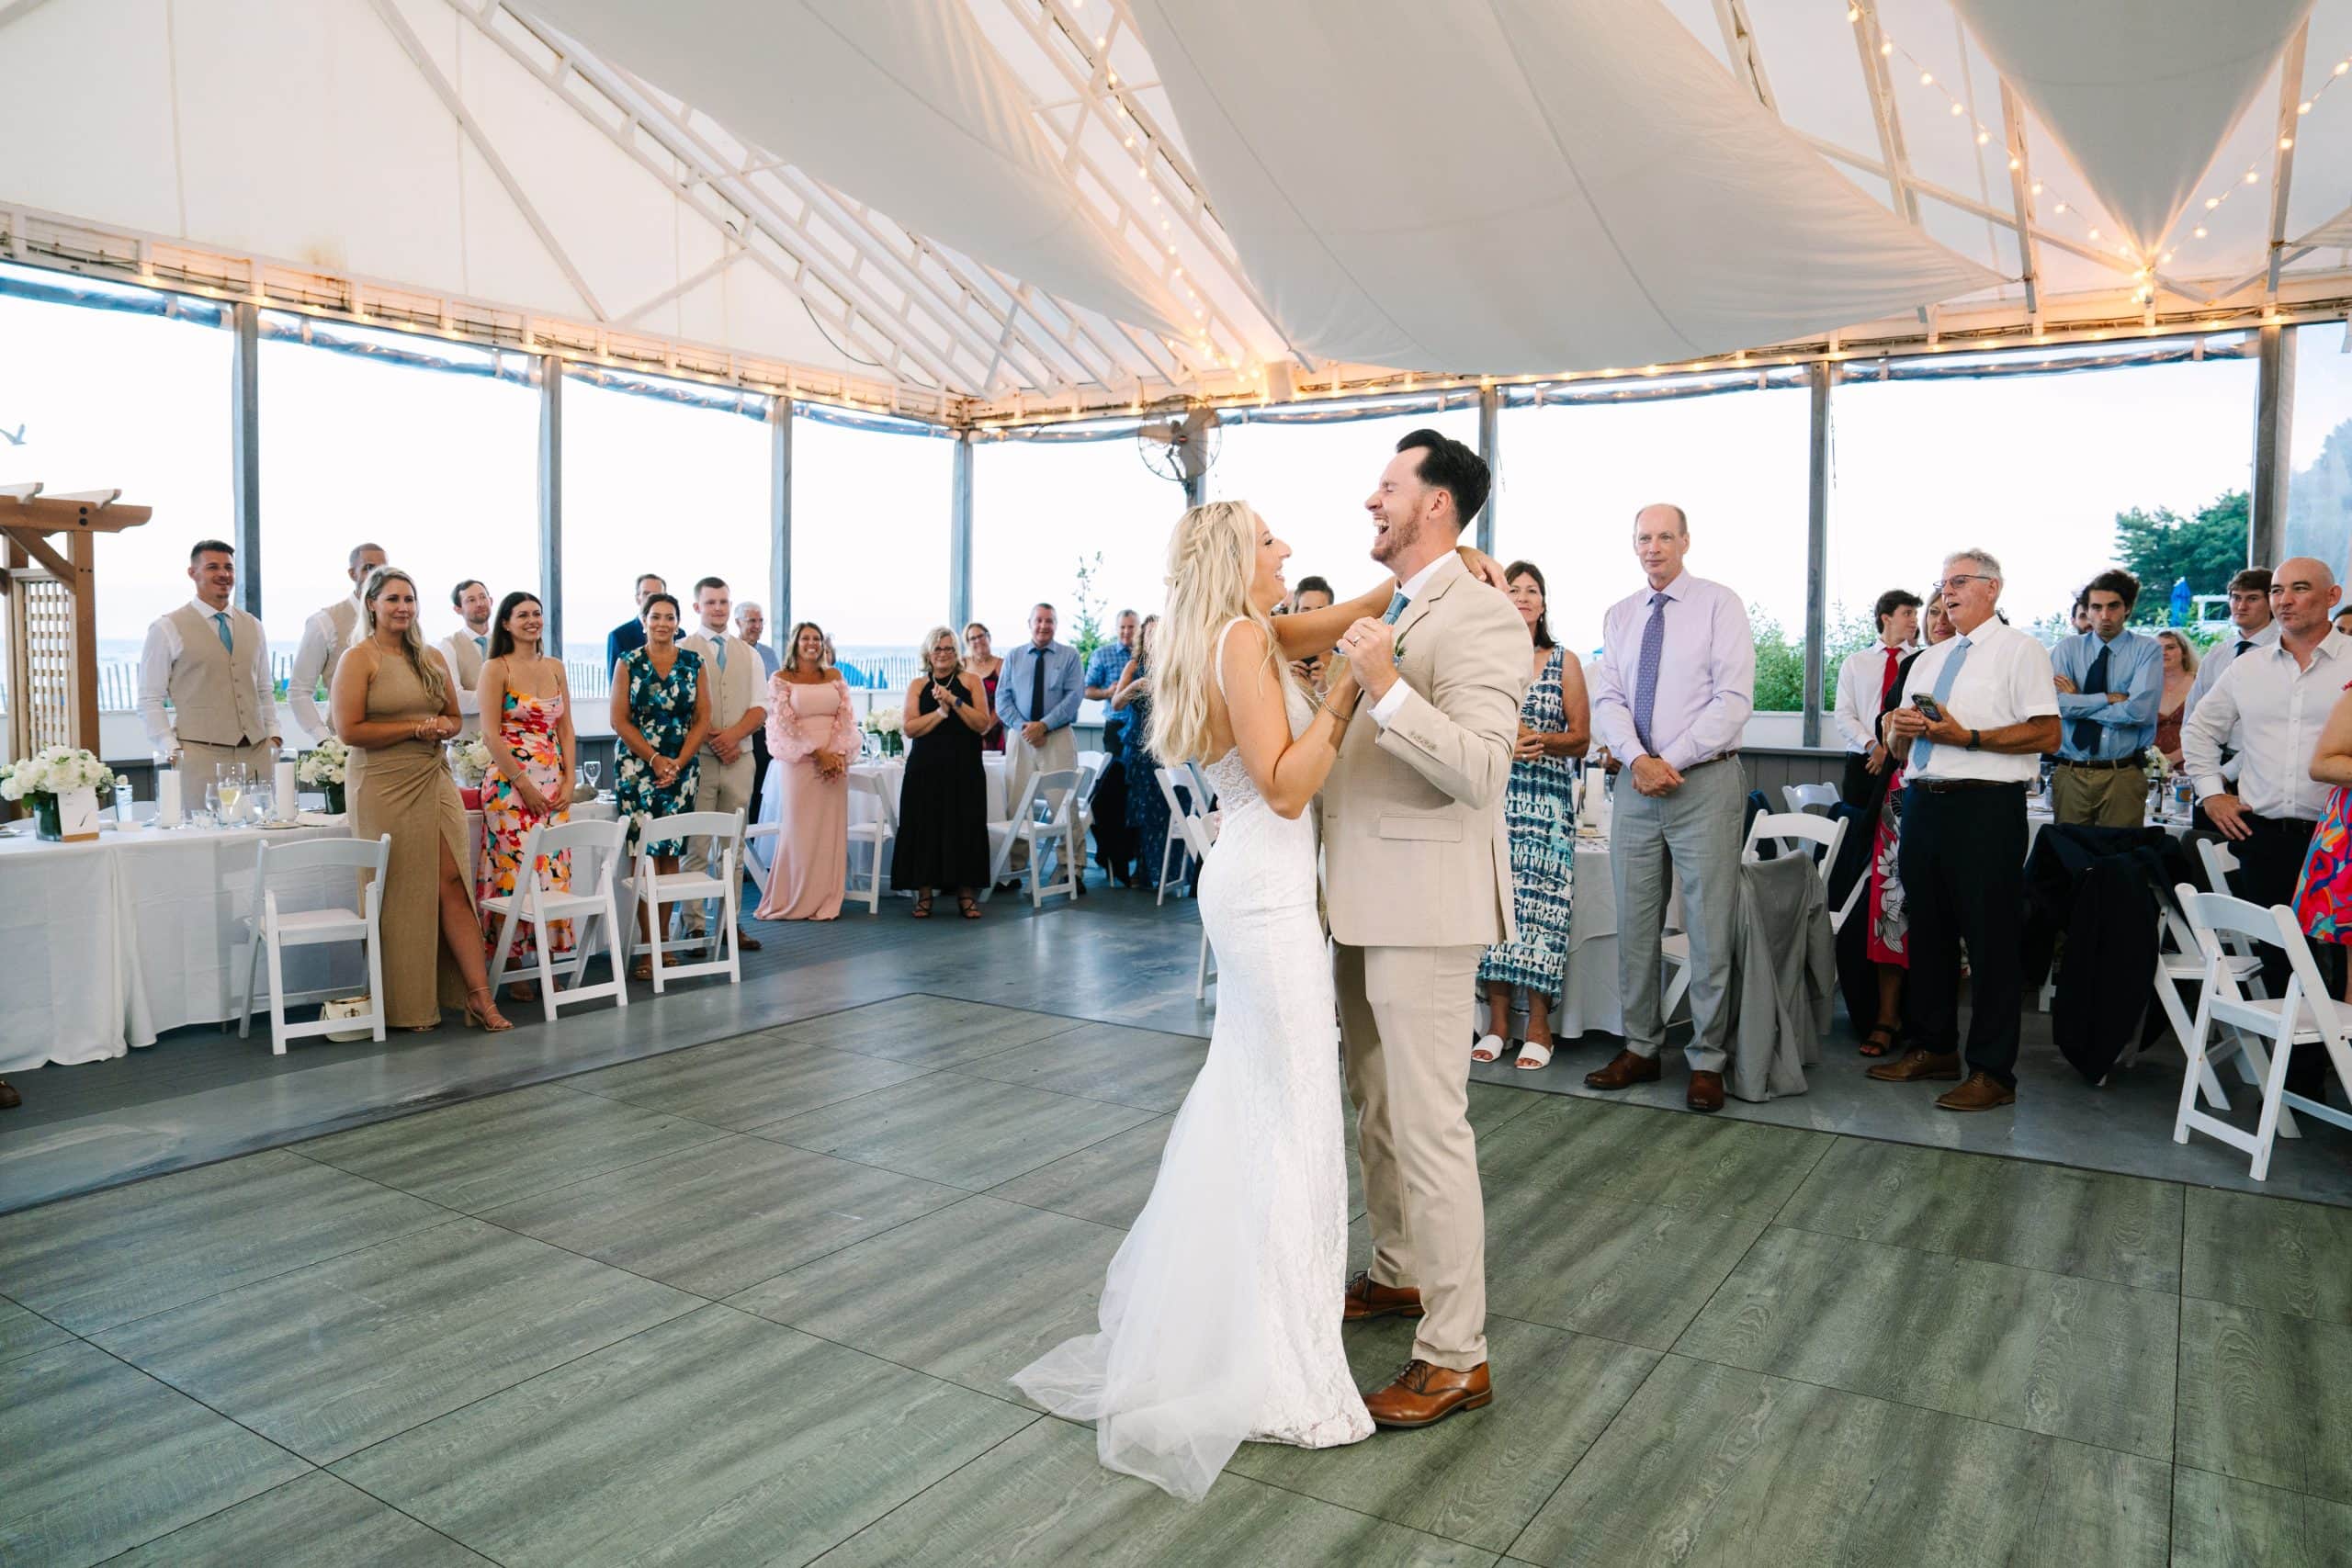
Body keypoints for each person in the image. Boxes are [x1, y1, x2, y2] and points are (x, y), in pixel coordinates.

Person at [1015, 499, 1381, 1497]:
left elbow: (1321, 618)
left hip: (1251, 889)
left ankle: (1247, 1327)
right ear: (1236, 558)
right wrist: (1348, 690)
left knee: (1256, 1105)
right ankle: (1273, 1367)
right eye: (1271, 541)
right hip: (1264, 897)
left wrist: (1412, 587)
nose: (1288, 550)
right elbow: (1290, 783)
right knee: (1297, 1110)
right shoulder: (1238, 644)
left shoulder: (1236, 631)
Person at [1282, 427, 1525, 1430]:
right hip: (1361, 900)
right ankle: (1397, 1271)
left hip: (1426, 909)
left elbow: (1476, 769)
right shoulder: (1397, 605)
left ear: (1435, 503)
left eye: (1385, 488)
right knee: (1376, 1107)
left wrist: (1384, 686)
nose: (1368, 504)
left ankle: (1455, 1354)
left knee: (1430, 1127)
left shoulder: (1484, 616)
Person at [1868, 548, 2059, 1112]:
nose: (1946, 592)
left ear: (1992, 588)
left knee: (1990, 939)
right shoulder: (1928, 660)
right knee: (1927, 931)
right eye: (1942, 583)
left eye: (1958, 582)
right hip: (1923, 801)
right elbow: (1900, 746)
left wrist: (1968, 737)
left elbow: (2047, 735)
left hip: (1984, 807)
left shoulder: (2021, 650)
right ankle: (1934, 1048)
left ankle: (1993, 1071)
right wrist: (1894, 727)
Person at [1584, 503, 1756, 1113]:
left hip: (1703, 781)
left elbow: (1734, 700)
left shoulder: (1719, 604)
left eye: (1664, 536)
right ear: (1634, 546)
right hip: (1635, 784)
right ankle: (1640, 1046)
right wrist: (1636, 759)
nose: (1653, 547)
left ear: (1685, 541)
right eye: (1642, 538)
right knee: (1634, 924)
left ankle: (1708, 1058)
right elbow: (1607, 698)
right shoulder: (1621, 615)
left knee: (1709, 925)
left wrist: (1669, 759)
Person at [2183, 558, 2349, 1100]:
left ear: (2332, 596)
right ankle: (2298, 1086)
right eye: (2278, 590)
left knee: (2342, 960)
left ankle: (2340, 1071)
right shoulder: (2247, 667)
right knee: (2282, 956)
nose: (2284, 600)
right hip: (2265, 834)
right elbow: (2200, 731)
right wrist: (2213, 794)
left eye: (2300, 589)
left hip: (2339, 838)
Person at [332, 566, 511, 1032]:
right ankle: (405, 1004)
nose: (402, 608)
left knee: (453, 880)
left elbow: (453, 717)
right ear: (371, 604)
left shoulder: (431, 656)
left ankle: (479, 996)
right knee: (400, 892)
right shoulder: (358, 659)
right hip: (382, 783)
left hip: (433, 775)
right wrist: (413, 728)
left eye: (409, 600)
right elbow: (349, 730)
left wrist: (440, 729)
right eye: (392, 599)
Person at [1473, 561, 1589, 1071]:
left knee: (1544, 911)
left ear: (1543, 603)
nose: (1522, 597)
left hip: (1546, 802)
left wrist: (1542, 741)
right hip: (1494, 799)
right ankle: (1498, 1024)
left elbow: (1582, 737)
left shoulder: (1564, 660)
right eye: (1513, 589)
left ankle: (1539, 1026)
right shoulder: (1483, 659)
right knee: (1494, 909)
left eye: (1532, 590)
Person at [1855, 592, 1953, 1059]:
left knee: (1945, 915)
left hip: (1966, 804)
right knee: (1891, 910)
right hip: (1900, 800)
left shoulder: (1988, 670)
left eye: (1948, 610)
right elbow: (1890, 743)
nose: (1939, 619)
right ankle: (1886, 1015)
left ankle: (1936, 1026)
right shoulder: (1914, 669)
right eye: (1933, 611)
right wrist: (1894, 728)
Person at [475, 591, 577, 1002]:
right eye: (523, 615)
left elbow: (566, 729)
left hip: (553, 779)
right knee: (512, 872)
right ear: (506, 623)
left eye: (537, 614)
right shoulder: (495, 668)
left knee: (553, 870)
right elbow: (489, 733)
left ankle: (549, 961)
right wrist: (523, 783)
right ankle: (513, 964)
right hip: (509, 785)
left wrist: (568, 780)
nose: (532, 620)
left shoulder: (554, 666)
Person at [610, 592, 710, 978]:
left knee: (670, 854)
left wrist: (679, 762)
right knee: (642, 856)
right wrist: (654, 759)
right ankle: (647, 946)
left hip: (682, 766)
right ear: (644, 620)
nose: (663, 623)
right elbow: (619, 719)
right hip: (638, 768)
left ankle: (663, 942)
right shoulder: (629, 662)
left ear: (678, 622)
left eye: (670, 617)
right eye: (655, 616)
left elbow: (702, 718)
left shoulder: (693, 663)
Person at [139, 538, 280, 795]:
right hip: (199, 754)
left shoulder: (253, 625)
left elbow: (264, 688)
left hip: (257, 752)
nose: (224, 574)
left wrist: (274, 733)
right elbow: (150, 697)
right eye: (213, 567)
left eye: (228, 567)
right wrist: (170, 746)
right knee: (203, 830)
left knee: (262, 828)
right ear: (193, 573)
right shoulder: (166, 628)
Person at [680, 577, 768, 954]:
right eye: (711, 602)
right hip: (697, 761)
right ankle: (694, 927)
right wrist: (714, 739)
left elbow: (760, 707)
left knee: (732, 847)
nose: (719, 608)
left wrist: (732, 738)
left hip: (739, 759)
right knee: (697, 846)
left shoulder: (749, 654)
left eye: (724, 602)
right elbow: (681, 709)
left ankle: (731, 924)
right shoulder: (683, 649)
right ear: (697, 607)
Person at [755, 621, 855, 921]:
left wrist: (836, 753)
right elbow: (783, 723)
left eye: (816, 639)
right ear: (795, 644)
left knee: (830, 830)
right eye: (805, 638)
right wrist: (818, 753)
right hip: (800, 761)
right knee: (799, 830)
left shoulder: (834, 676)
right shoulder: (781, 678)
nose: (812, 643)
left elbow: (846, 717)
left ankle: (826, 897)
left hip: (834, 763)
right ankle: (793, 897)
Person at [894, 626, 993, 918]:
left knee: (966, 826)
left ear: (957, 653)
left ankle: (966, 894)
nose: (944, 654)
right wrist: (939, 714)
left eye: (949, 648)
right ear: (928, 653)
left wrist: (953, 701)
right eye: (938, 649)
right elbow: (910, 728)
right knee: (924, 827)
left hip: (965, 767)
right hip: (925, 767)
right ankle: (924, 894)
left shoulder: (970, 681)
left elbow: (982, 724)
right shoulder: (917, 685)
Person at [2049, 569, 2160, 827]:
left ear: (2128, 608)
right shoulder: (2067, 649)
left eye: (2113, 606)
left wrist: (2079, 699)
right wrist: (2106, 698)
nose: (2105, 616)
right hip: (2070, 771)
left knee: (2120, 859)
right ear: (2086, 610)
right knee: (2068, 856)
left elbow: (2137, 712)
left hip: (2121, 774)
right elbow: (2057, 705)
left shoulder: (2147, 649)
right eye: (2096, 607)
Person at [995, 603, 1086, 886]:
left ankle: (1072, 868)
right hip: (1020, 736)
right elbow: (1002, 699)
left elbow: (1074, 697)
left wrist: (1044, 725)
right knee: (1016, 803)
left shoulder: (1069, 656)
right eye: (1039, 620)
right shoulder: (1014, 657)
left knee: (1063, 804)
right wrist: (1025, 727)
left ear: (1056, 624)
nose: (1044, 626)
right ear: (1029, 623)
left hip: (1056, 736)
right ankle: (1015, 869)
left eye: (1049, 621)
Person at [1831, 590, 1921, 808]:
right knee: (1858, 829)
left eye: (1916, 615)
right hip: (1863, 761)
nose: (1914, 621)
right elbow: (1844, 715)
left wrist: (1890, 753)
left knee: (1896, 833)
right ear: (1886, 618)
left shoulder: (1921, 662)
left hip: (1903, 761)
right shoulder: (1855, 663)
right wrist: (1874, 748)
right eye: (1907, 613)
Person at [289, 541, 387, 743]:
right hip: (347, 745)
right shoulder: (325, 621)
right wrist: (325, 741)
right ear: (352, 574)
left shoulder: (399, 619)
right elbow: (299, 690)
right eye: (369, 568)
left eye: (383, 569)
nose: (377, 575)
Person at [1085, 609, 1142, 886]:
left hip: (1144, 732)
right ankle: (1109, 854)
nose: (1126, 633)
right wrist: (1111, 692)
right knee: (1110, 795)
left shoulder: (1147, 657)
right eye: (1122, 628)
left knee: (1136, 796)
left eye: (1131, 628)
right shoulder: (1103, 654)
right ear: (1116, 628)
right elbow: (1088, 690)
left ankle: (1129, 858)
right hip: (1116, 729)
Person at [1113, 616, 1170, 886]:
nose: (1153, 640)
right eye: (1149, 635)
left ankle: (1165, 872)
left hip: (1166, 745)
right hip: (1138, 745)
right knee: (1142, 811)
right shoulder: (1134, 665)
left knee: (1166, 809)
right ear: (1143, 639)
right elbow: (1116, 703)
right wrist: (1135, 687)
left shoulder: (1174, 665)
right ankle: (1143, 871)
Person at [2186, 567, 2275, 717]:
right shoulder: (2217, 654)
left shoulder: (2285, 649)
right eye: (2236, 598)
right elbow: (2194, 709)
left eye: (2252, 598)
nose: (2241, 606)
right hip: (2211, 739)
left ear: (2271, 602)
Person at [737, 600, 779, 829]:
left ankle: (757, 851)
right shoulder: (733, 651)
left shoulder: (769, 654)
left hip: (764, 734)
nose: (757, 626)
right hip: (739, 733)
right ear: (738, 623)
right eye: (752, 620)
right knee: (742, 795)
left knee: (762, 794)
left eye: (760, 621)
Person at [440, 579, 493, 742]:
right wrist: (502, 699)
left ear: (491, 601)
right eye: (471, 600)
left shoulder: (508, 642)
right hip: (465, 746)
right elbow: (456, 700)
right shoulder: (448, 645)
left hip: (508, 742)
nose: (480, 603)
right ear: (458, 609)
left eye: (483, 597)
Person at [605, 572, 666, 677]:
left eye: (657, 595)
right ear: (638, 599)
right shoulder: (619, 636)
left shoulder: (678, 634)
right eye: (646, 594)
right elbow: (614, 687)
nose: (651, 599)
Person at [2154, 629, 2198, 769]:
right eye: (2157, 649)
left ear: (2184, 652)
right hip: (2150, 766)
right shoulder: (2145, 687)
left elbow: (2211, 729)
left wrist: (2175, 757)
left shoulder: (2200, 683)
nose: (2163, 653)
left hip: (2192, 762)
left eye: (2170, 647)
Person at [1285, 574, 1337, 692]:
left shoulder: (1347, 665)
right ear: (1295, 613)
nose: (1313, 618)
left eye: (1321, 610)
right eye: (1305, 610)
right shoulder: (1278, 662)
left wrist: (1323, 691)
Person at [962, 621, 1006, 753]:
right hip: (966, 730)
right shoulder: (962, 664)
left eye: (981, 636)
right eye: (973, 638)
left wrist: (984, 728)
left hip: (994, 730)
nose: (978, 641)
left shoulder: (1002, 665)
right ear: (968, 643)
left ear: (988, 637)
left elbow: (1004, 701)